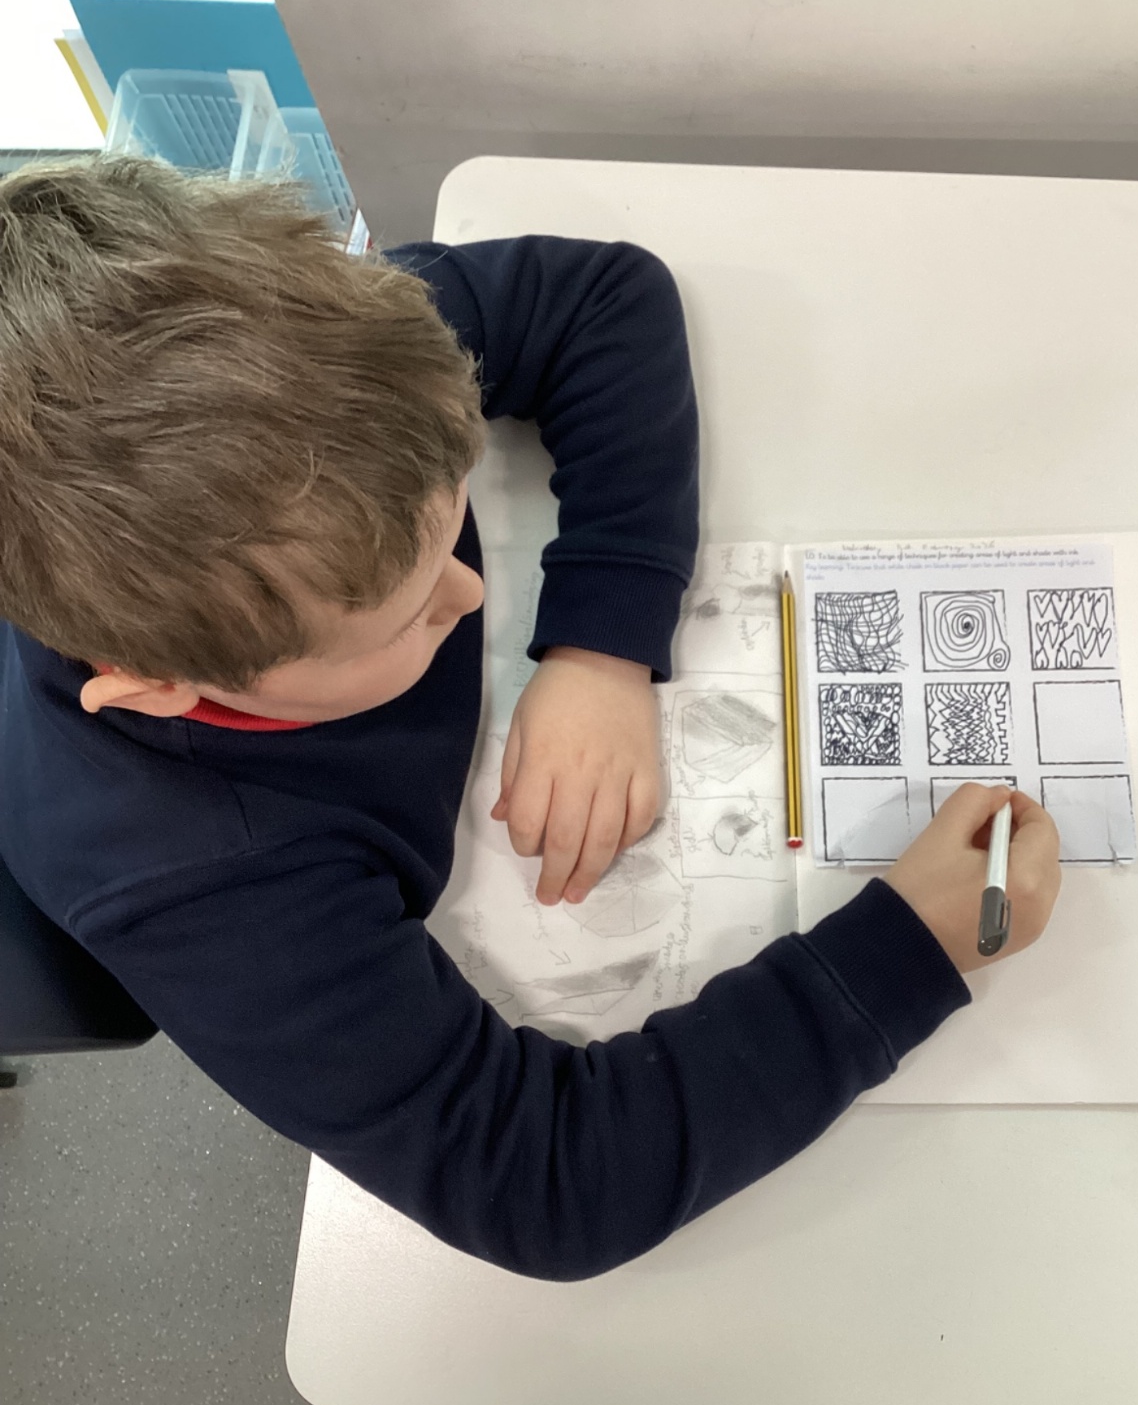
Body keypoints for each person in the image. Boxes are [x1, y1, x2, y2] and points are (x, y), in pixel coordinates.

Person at [0, 155, 1062, 1296]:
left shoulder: (329, 362)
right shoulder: (202, 883)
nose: (468, 600)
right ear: (161, 689)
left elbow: (601, 301)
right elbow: (550, 1185)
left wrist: (600, 645)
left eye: (452, 506)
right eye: (404, 615)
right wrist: (909, 950)